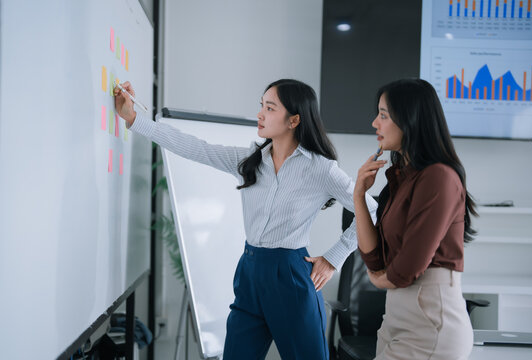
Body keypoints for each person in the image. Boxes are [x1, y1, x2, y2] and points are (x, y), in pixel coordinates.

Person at [114, 79, 378, 360]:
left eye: (270, 108)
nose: (260, 114)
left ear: (294, 120)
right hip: (250, 272)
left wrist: (334, 257)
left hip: (291, 275)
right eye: (261, 106)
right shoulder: (250, 160)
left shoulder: (321, 169)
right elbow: (194, 148)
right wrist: (133, 119)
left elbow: (371, 209)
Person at [353, 78, 477, 360]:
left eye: (383, 115)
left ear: (410, 120)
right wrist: (358, 196)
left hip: (430, 323)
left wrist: (378, 280)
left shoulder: (439, 177)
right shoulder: (402, 177)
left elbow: (407, 268)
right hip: (397, 316)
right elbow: (376, 259)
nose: (375, 123)